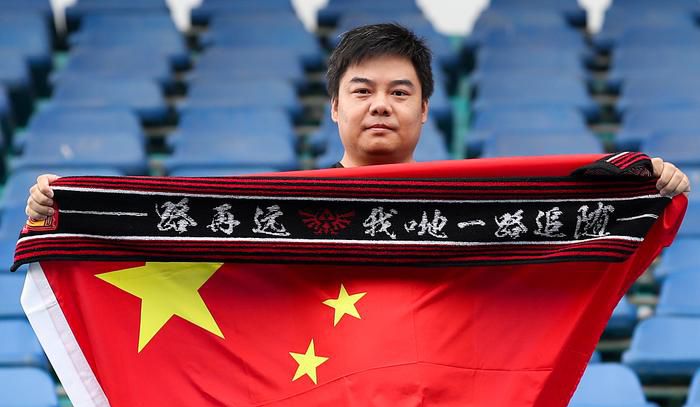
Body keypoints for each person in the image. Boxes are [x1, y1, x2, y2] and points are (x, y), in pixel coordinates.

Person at [25, 23, 690, 220]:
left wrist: (645, 192)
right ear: (334, 107)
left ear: (426, 112)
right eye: (363, 90)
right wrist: (73, 212)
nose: (380, 104)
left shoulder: (473, 211)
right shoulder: (277, 209)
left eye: (400, 92)